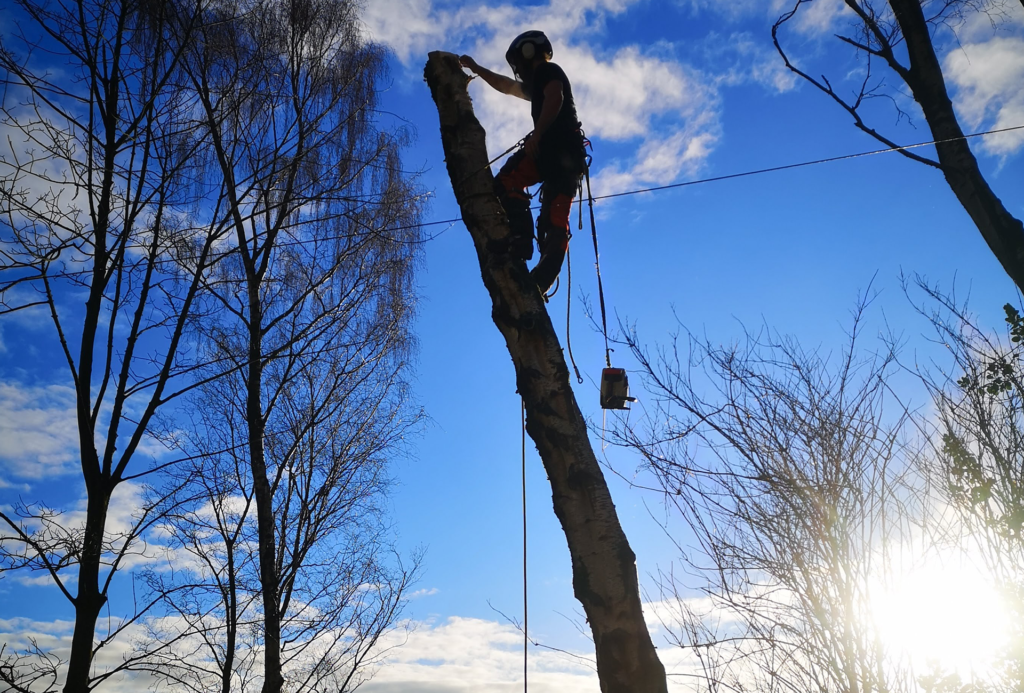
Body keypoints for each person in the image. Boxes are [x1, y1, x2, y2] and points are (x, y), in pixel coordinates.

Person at [460, 31, 586, 294]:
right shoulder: (540, 79)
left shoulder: (547, 71)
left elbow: (555, 97)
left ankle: (519, 240)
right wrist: (476, 69)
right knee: (555, 219)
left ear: (527, 53)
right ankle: (541, 280)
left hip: (553, 148)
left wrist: (538, 135)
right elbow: (507, 86)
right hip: (569, 158)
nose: (518, 69)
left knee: (508, 180)